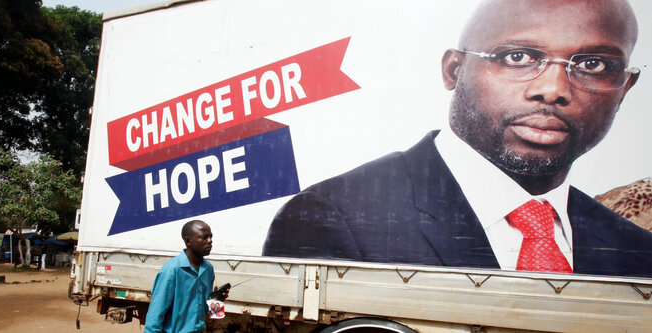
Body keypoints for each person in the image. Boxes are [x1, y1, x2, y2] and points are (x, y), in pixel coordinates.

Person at [263, 0, 652, 278]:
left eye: (593, 64)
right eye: (518, 57)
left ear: (624, 88)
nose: (552, 89)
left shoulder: (638, 253)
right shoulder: (332, 219)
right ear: (454, 70)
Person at [144, 220, 228, 333]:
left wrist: (218, 301)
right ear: (188, 241)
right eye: (204, 238)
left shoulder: (208, 269)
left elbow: (205, 312)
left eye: (211, 237)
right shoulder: (172, 269)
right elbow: (155, 315)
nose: (210, 241)